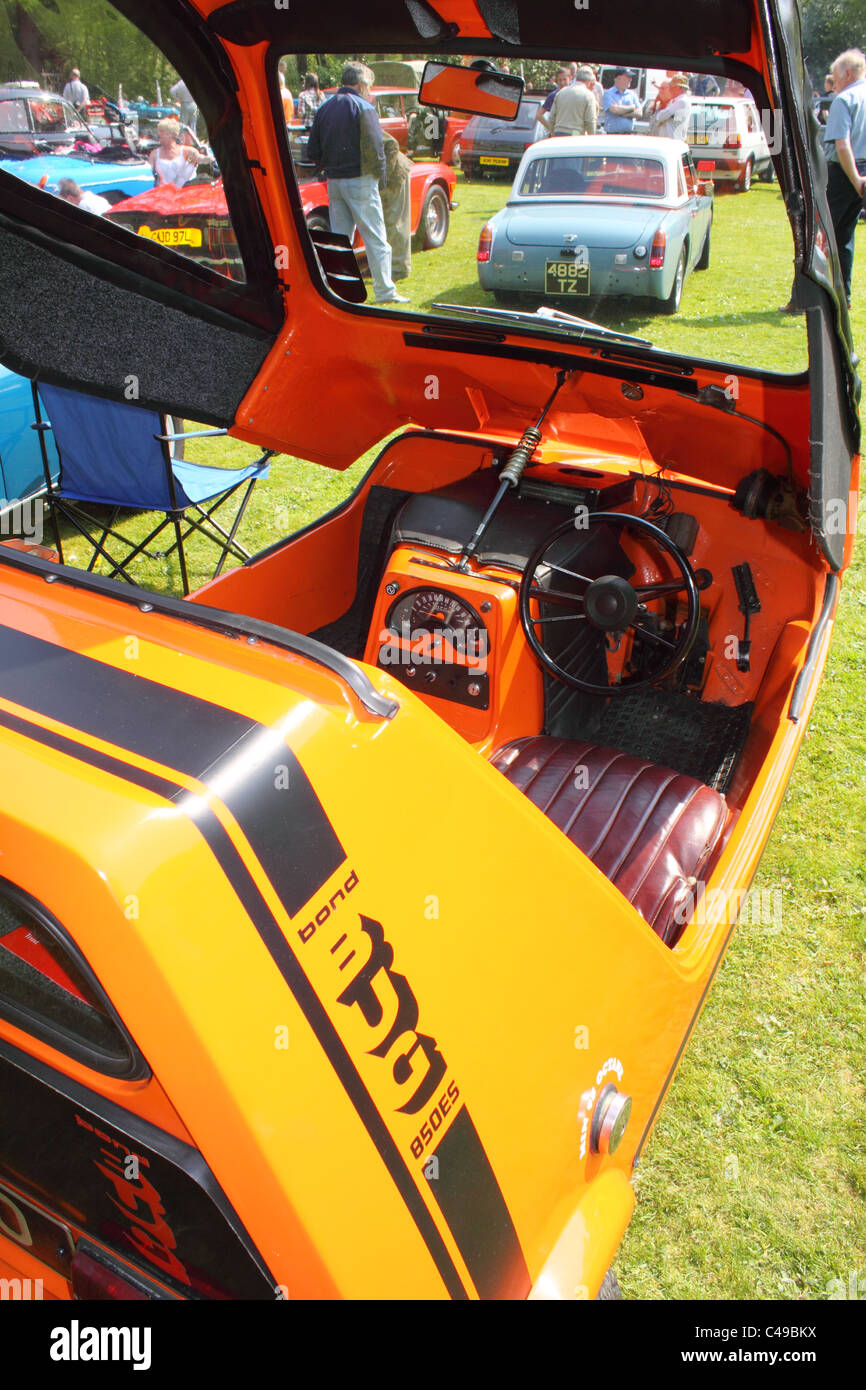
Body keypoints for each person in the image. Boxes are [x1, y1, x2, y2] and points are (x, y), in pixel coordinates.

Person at [306, 62, 408, 304]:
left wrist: (327, 167)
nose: (369, 90)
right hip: (360, 180)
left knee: (340, 240)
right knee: (376, 237)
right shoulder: (364, 107)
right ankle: (385, 291)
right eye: (368, 86)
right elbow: (376, 149)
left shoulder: (324, 108)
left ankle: (340, 292)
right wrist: (381, 179)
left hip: (335, 180)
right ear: (361, 84)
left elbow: (312, 150)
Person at [822, 48, 866, 306]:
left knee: (820, 233)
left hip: (845, 173)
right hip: (861, 171)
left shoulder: (844, 99)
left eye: (836, 78)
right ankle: (843, 294)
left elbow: (842, 145)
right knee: (845, 235)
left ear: (848, 74)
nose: (834, 84)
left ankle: (805, 296)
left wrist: (856, 179)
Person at [380, 131, 413, 281]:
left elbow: (391, 145)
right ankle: (387, 265)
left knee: (395, 221)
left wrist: (384, 181)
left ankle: (400, 268)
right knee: (385, 221)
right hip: (386, 172)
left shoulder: (361, 121)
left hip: (395, 173)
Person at [148, 118, 204, 188]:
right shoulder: (154, 154)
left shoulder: (189, 152)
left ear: (170, 135)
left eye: (162, 133)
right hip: (163, 194)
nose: (159, 136)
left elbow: (200, 160)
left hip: (185, 194)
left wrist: (205, 159)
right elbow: (147, 173)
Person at [547, 65, 597, 137]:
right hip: (575, 134)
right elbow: (590, 122)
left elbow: (551, 118)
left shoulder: (561, 92)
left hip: (558, 133)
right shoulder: (588, 95)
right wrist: (591, 140)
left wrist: (553, 134)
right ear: (589, 81)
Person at [649, 73, 692, 140]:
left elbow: (661, 116)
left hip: (673, 141)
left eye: (671, 87)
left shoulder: (681, 102)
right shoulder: (677, 101)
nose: (670, 90)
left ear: (677, 88)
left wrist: (662, 116)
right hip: (671, 141)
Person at [602, 69, 641, 134]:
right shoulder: (608, 94)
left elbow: (639, 113)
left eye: (630, 77)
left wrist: (620, 111)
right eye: (627, 77)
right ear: (618, 78)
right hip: (613, 135)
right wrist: (632, 107)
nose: (630, 79)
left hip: (628, 134)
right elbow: (614, 109)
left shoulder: (632, 94)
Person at [537, 66, 572, 137]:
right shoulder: (553, 96)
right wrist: (551, 128)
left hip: (572, 133)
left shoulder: (574, 94)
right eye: (560, 80)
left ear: (570, 78)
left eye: (564, 79)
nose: (562, 82)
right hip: (558, 133)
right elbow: (538, 115)